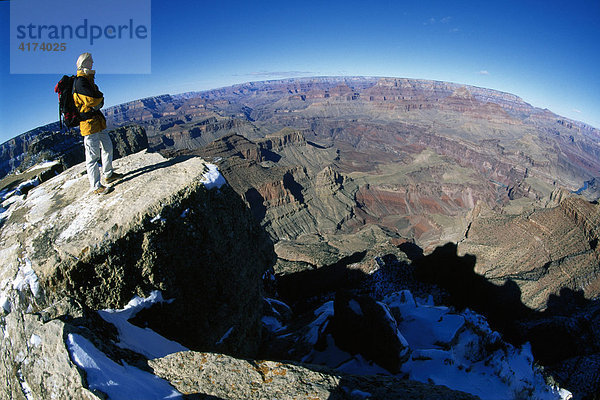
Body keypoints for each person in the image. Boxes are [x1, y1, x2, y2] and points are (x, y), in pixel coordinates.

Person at [72, 52, 123, 194]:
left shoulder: (88, 80)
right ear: (85, 63)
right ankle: (95, 187)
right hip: (88, 124)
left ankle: (108, 175)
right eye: (91, 61)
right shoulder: (80, 82)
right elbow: (93, 100)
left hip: (98, 122)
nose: (93, 63)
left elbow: (99, 98)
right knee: (92, 157)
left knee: (108, 147)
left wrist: (99, 99)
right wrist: (99, 99)